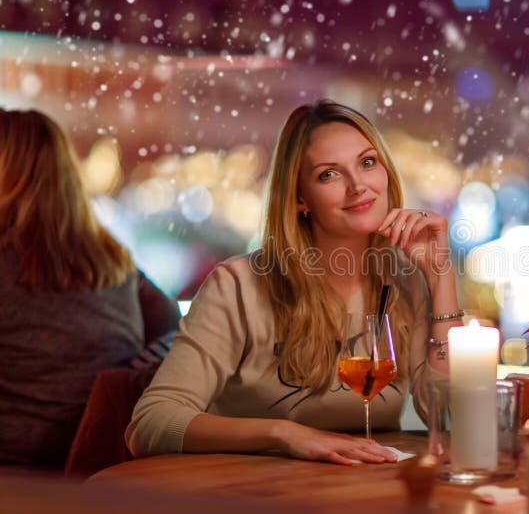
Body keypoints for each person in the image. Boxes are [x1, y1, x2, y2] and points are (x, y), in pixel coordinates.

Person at [126, 99, 460, 465]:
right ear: (301, 198)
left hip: (366, 492)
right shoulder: (238, 286)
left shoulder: (406, 282)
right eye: (329, 174)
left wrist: (440, 277)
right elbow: (150, 423)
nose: (358, 186)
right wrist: (283, 433)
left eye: (367, 163)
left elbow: (452, 421)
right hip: (253, 496)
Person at [0, 108, 180, 468]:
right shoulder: (113, 260)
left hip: (18, 476)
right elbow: (176, 326)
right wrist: (131, 371)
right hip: (100, 466)